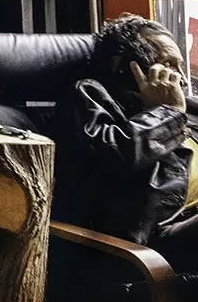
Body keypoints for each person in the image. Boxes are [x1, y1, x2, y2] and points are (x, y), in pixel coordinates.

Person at [53, 17, 198, 280]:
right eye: (168, 65)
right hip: (156, 238)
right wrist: (167, 113)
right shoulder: (89, 96)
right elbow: (115, 154)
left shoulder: (186, 107)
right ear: (121, 67)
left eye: (180, 67)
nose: (181, 80)